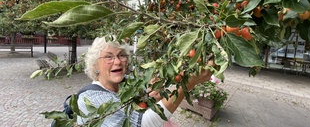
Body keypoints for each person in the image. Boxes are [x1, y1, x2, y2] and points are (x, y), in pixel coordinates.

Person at [77, 36, 214, 126]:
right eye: (108, 57)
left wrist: (151, 96)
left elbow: (143, 101)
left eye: (121, 55)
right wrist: (188, 83)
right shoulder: (90, 98)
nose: (117, 61)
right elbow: (142, 123)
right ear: (95, 66)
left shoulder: (128, 82)